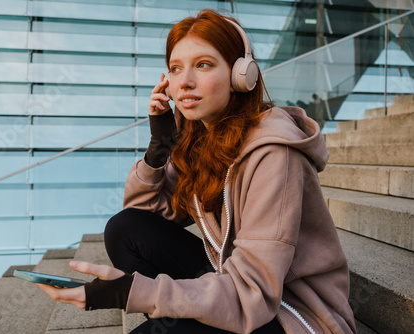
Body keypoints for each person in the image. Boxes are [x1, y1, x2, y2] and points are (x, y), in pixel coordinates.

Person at [36, 9, 357, 334]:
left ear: (240, 75)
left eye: (203, 65)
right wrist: (159, 146)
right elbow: (147, 215)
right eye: (176, 68)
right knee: (124, 228)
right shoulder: (202, 142)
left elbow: (254, 293)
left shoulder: (275, 153)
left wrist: (134, 292)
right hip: (233, 280)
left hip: (293, 314)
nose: (185, 81)